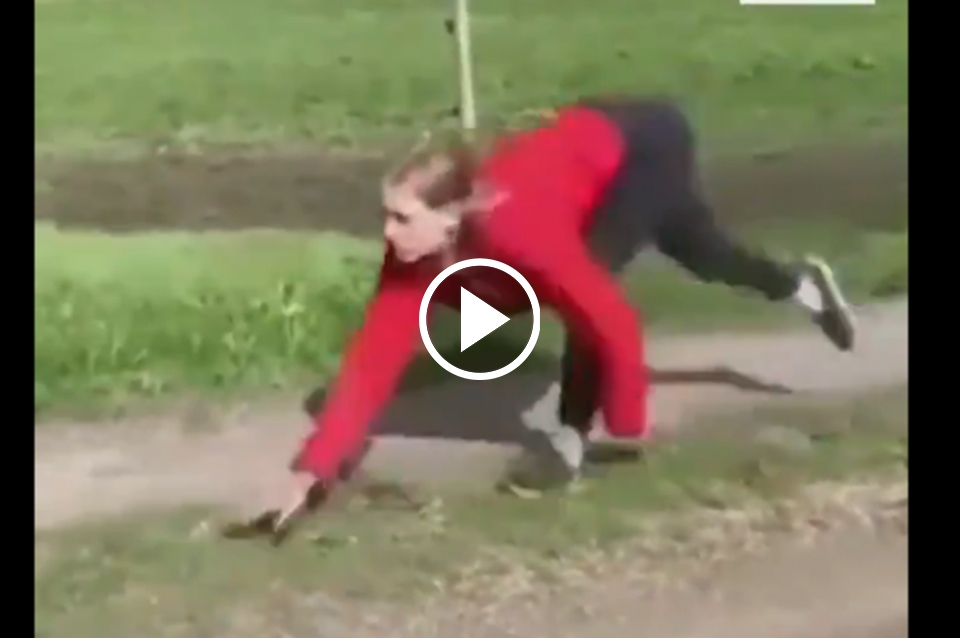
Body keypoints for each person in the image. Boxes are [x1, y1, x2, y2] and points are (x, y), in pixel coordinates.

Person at [277, 97, 855, 522]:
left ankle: (569, 441)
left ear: (450, 218)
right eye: (385, 215)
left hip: (645, 147)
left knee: (591, 281)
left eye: (402, 218)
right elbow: (374, 359)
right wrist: (314, 468)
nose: (386, 231)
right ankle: (803, 287)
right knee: (705, 254)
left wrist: (627, 423)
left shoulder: (517, 233)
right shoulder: (411, 256)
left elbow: (610, 319)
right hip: (594, 142)